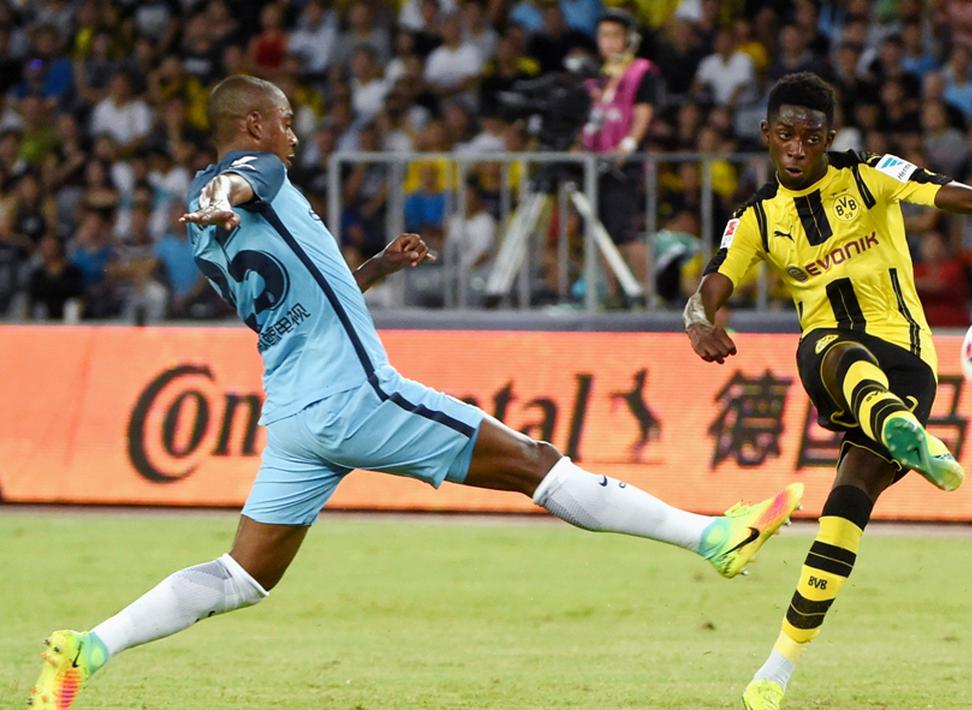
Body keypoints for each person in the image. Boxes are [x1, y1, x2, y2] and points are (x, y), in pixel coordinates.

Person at [27, 75, 805, 710]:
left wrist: (375, 269)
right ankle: (711, 538)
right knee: (537, 462)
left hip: (296, 413)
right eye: (288, 122)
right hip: (357, 395)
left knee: (244, 576)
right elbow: (246, 176)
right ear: (256, 124)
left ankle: (88, 649)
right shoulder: (255, 176)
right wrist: (233, 187)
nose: (294, 135)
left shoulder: (205, 233)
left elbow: (302, 292)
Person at [681, 73, 972, 710]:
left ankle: (897, 425)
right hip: (843, 366)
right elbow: (710, 287)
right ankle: (775, 673)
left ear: (830, 139)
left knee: (841, 486)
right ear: (766, 136)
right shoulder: (754, 218)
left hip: (910, 363)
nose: (797, 148)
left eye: (811, 137)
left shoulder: (869, 174)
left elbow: (954, 191)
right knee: (833, 383)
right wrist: (700, 323)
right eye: (785, 135)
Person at [580, 8, 660, 302]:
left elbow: (643, 113)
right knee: (600, 233)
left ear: (629, 39)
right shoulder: (596, 78)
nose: (609, 42)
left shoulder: (642, 71)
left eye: (616, 35)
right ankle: (612, 296)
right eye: (604, 35)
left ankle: (649, 295)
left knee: (625, 233)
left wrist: (629, 145)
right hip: (595, 164)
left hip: (625, 164)